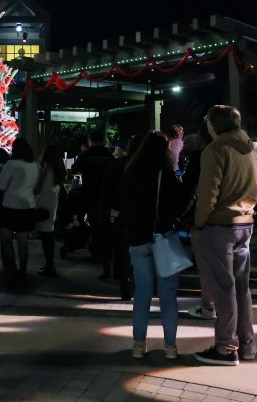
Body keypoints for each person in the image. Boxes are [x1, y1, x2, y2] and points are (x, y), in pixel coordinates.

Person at [194, 105, 257, 366]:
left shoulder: (215, 149)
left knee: (223, 289)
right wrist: (247, 208)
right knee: (242, 287)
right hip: (245, 223)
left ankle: (225, 347)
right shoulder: (249, 148)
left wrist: (201, 222)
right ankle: (247, 345)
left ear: (213, 125)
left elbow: (208, 192)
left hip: (220, 226)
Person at [121, 131, 185, 360]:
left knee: (142, 294)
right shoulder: (166, 173)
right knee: (168, 296)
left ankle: (138, 344)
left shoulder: (130, 171)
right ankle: (170, 347)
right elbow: (175, 206)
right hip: (162, 238)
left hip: (137, 239)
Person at [100, 134, 144, 301]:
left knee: (123, 249)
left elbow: (107, 191)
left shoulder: (119, 164)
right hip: (144, 214)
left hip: (122, 213)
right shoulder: (153, 166)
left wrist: (106, 211)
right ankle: (142, 285)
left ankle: (124, 284)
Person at [180, 133, 216, 321]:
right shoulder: (243, 154)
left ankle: (208, 306)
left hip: (205, 219)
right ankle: (229, 308)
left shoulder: (197, 160)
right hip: (236, 219)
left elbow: (191, 190)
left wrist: (187, 216)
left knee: (205, 265)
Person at [0, 137, 40, 287]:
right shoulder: (35, 165)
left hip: (10, 206)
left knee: (6, 241)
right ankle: (23, 272)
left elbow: (1, 185)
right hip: (27, 206)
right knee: (23, 243)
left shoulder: (11, 164)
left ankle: (12, 270)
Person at [70, 130, 115, 267]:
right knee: (105, 223)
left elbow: (74, 168)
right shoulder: (109, 155)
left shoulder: (86, 155)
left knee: (93, 222)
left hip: (90, 192)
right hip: (107, 193)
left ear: (91, 140)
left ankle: (95, 251)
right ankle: (106, 251)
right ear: (103, 140)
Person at [34, 144, 67, 278]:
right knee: (48, 234)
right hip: (52, 202)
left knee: (45, 236)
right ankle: (49, 264)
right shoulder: (59, 168)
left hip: (42, 202)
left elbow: (38, 188)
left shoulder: (45, 167)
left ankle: (50, 265)